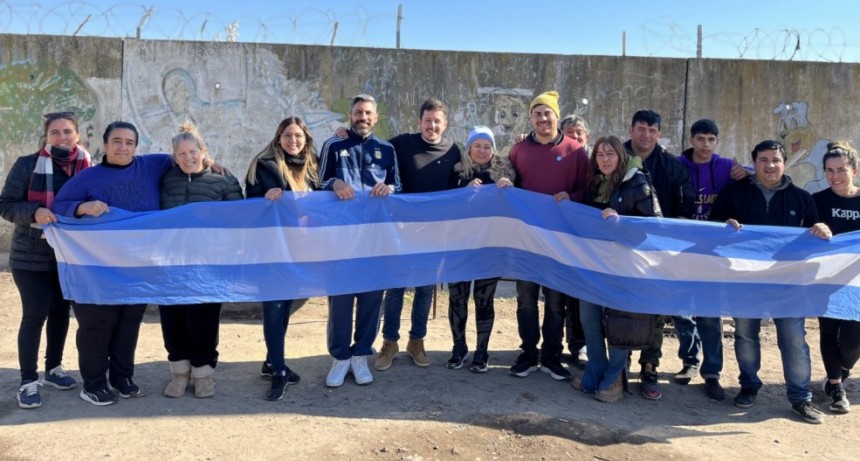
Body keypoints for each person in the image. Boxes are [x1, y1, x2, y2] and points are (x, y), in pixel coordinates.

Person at [51, 121, 177, 406]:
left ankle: (122, 379)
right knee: (98, 324)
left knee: (128, 323)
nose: (123, 147)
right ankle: (93, 384)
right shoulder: (88, 178)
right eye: (117, 141)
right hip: (97, 269)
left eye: (129, 142)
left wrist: (212, 163)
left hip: (137, 267)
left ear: (136, 146)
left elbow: (187, 154)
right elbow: (58, 206)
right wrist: (82, 207)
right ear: (105, 145)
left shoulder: (153, 165)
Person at [710, 139, 832, 424]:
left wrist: (822, 229)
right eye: (763, 160)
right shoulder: (733, 194)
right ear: (755, 163)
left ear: (784, 163)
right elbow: (712, 230)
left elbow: (819, 235)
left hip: (789, 285)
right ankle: (749, 386)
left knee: (793, 339)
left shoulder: (803, 198)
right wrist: (725, 227)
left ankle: (801, 398)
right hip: (745, 282)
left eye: (775, 160)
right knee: (745, 335)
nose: (770, 165)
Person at [0, 111, 91, 409]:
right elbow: (7, 204)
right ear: (47, 136)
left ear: (77, 135)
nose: (62, 137)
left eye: (67, 131)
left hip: (69, 256)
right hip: (31, 256)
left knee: (61, 313)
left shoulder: (89, 167)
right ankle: (28, 381)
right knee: (34, 315)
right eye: (56, 132)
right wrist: (34, 212)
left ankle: (53, 369)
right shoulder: (28, 165)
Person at [318, 94, 400, 387]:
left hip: (374, 241)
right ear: (349, 115)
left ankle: (360, 356)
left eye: (368, 113)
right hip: (340, 240)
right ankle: (340, 358)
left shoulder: (387, 149)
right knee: (340, 301)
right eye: (357, 112)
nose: (362, 117)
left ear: (376, 118)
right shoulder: (333, 144)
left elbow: (398, 185)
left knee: (370, 301)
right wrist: (335, 183)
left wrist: (389, 188)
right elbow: (319, 181)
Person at [507, 90, 589, 382]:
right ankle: (528, 353)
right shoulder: (518, 151)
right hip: (527, 241)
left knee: (556, 302)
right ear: (530, 118)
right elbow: (509, 185)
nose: (543, 118)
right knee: (525, 300)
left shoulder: (576, 151)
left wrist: (572, 196)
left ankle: (551, 356)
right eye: (537, 113)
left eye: (548, 113)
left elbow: (585, 190)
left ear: (557, 116)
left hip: (560, 241)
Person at [158, 122, 243, 399]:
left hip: (208, 264)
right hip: (171, 263)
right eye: (181, 154)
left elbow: (238, 219)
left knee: (203, 319)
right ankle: (179, 372)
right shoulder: (164, 177)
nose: (188, 158)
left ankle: (203, 372)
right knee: (173, 318)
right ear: (174, 157)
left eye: (193, 152)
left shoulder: (224, 180)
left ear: (204, 151)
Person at [376, 98, 461, 371]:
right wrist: (344, 134)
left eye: (437, 121)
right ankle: (389, 342)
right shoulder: (401, 143)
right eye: (428, 120)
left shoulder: (453, 150)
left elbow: (461, 183)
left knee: (425, 289)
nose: (432, 125)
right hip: (400, 230)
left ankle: (417, 340)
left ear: (445, 124)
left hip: (433, 234)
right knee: (396, 287)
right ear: (419, 122)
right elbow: (371, 150)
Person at [575, 135, 662, 402]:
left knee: (618, 324)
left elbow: (654, 225)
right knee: (589, 318)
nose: (604, 159)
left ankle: (615, 378)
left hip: (624, 267)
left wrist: (621, 222)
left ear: (621, 157)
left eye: (610, 154)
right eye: (600, 154)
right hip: (594, 264)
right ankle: (596, 371)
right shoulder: (594, 183)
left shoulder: (638, 182)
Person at [245, 116, 319, 401]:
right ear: (279, 138)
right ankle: (278, 372)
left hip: (300, 249)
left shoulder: (312, 168)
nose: (293, 141)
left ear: (306, 139)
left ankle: (271, 361)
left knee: (286, 305)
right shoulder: (264, 166)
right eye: (288, 135)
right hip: (272, 249)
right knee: (274, 307)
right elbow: (249, 201)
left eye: (298, 136)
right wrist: (265, 196)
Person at [623, 109, 694, 400]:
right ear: (631, 130)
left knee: (657, 311)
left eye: (652, 130)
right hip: (622, 249)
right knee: (621, 305)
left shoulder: (672, 166)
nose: (646, 135)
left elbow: (685, 206)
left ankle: (649, 366)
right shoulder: (614, 156)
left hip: (660, 251)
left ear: (659, 134)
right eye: (641, 128)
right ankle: (620, 362)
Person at [673, 119, 741, 400]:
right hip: (682, 249)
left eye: (711, 139)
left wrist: (744, 173)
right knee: (680, 310)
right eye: (700, 138)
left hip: (714, 253)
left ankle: (712, 373)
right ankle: (690, 361)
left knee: (710, 314)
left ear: (717, 141)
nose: (705, 144)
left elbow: (756, 177)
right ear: (691, 139)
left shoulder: (727, 167)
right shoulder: (676, 165)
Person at [446, 126, 515, 373]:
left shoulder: (504, 173)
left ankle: (482, 351)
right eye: (478, 145)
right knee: (457, 298)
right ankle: (458, 347)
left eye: (487, 146)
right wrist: (463, 192)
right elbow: (442, 204)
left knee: (484, 301)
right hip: (459, 247)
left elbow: (516, 204)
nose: (483, 150)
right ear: (469, 148)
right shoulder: (455, 173)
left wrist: (510, 187)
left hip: (489, 247)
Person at [812, 140, 860, 414]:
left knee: (853, 341)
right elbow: (800, 236)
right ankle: (837, 387)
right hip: (827, 280)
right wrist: (814, 228)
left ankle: (843, 369)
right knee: (828, 334)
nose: (835, 176)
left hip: (858, 283)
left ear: (854, 170)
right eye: (829, 170)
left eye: (841, 169)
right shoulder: (818, 201)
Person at [558, 114, 590, 368]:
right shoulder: (558, 157)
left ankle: (582, 345)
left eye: (579, 132)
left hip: (588, 239)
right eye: (570, 132)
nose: (575, 137)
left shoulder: (599, 160)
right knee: (561, 296)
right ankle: (560, 345)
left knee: (583, 295)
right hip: (560, 236)